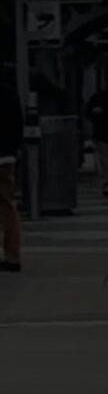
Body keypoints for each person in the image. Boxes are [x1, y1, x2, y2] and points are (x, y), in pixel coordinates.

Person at [0, 71, 23, 272]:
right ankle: (12, 255)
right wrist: (13, 151)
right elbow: (18, 125)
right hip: (6, 156)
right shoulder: (9, 93)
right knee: (8, 207)